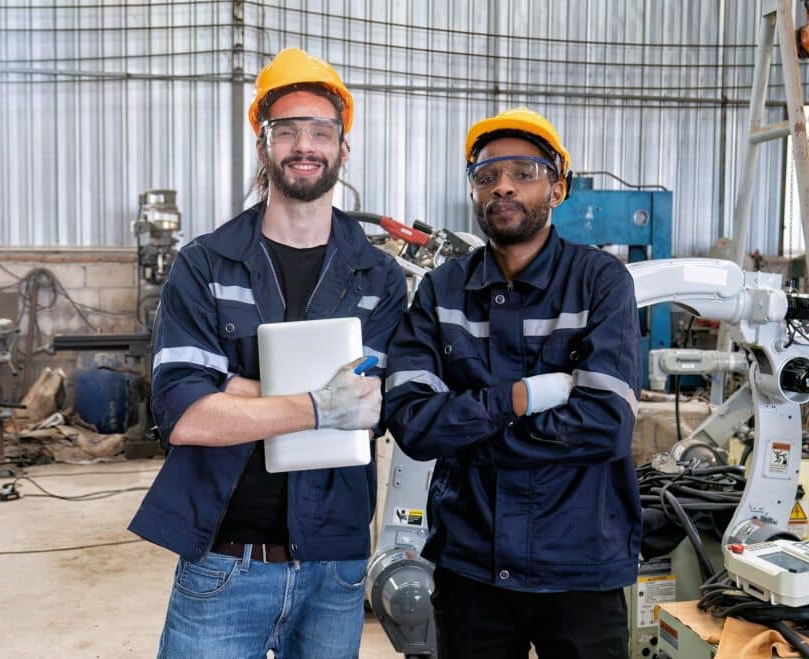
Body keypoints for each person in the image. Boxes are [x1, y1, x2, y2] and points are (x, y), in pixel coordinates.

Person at [129, 48, 407, 658]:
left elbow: (373, 408)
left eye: (320, 131)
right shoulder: (204, 264)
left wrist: (233, 386)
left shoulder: (378, 278)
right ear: (263, 145)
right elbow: (186, 415)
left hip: (335, 569)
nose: (303, 145)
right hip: (226, 562)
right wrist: (319, 403)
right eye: (286, 131)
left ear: (342, 148)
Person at [382, 108, 642, 658]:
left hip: (580, 570)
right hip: (470, 568)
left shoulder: (600, 282)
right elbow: (411, 424)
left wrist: (467, 425)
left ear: (557, 187)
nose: (502, 185)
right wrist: (519, 399)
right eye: (486, 175)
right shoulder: (442, 291)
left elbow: (606, 425)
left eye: (523, 172)